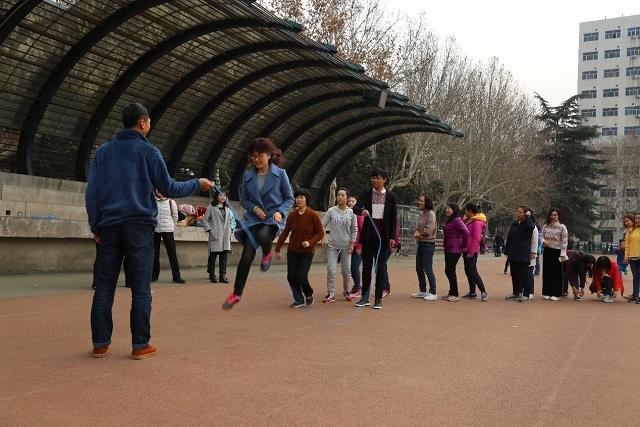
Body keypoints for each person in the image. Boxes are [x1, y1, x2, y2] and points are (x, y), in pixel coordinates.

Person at [86, 102, 214, 359]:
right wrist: (197, 183)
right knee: (141, 289)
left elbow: (92, 193)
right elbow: (168, 188)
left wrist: (95, 225)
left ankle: (100, 344)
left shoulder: (103, 152)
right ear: (142, 123)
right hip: (139, 228)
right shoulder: (149, 152)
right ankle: (140, 345)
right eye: (149, 122)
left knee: (104, 288)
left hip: (109, 227)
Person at [223, 137, 294, 310]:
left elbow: (289, 198)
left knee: (264, 236)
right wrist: (255, 209)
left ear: (269, 155)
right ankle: (236, 294)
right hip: (255, 219)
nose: (256, 159)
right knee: (246, 257)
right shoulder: (248, 176)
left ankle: (267, 253)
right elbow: (244, 200)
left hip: (272, 220)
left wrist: (280, 212)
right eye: (253, 156)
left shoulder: (280, 174)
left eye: (260, 155)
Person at [352, 169, 398, 310]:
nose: (375, 180)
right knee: (366, 268)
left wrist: (392, 237)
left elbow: (393, 218)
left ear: (384, 180)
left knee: (380, 268)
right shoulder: (367, 193)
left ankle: (378, 299)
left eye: (378, 178)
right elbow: (355, 207)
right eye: (373, 178)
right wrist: (362, 211)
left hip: (382, 239)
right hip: (368, 237)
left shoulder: (391, 196)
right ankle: (365, 298)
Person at [275, 188, 324, 307]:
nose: (299, 200)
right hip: (292, 251)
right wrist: (277, 250)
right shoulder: (292, 215)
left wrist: (310, 242)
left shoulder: (313, 215)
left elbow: (320, 233)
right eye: (297, 197)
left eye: (302, 197)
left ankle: (309, 294)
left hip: (307, 252)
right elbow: (284, 233)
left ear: (307, 199)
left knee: (301, 277)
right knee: (291, 277)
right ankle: (298, 299)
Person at [321, 187, 357, 303]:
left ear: (347, 198)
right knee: (331, 270)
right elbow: (322, 225)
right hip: (333, 245)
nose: (340, 197)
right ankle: (330, 293)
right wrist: (323, 237)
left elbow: (354, 229)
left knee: (346, 272)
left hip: (346, 245)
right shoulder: (331, 211)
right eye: (338, 195)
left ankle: (346, 291)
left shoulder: (351, 213)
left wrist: (352, 243)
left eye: (342, 195)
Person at [151, 189, 185, 284]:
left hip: (168, 230)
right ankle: (154, 276)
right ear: (154, 192)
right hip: (155, 230)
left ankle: (176, 276)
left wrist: (171, 227)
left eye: (161, 191)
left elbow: (175, 216)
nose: (160, 193)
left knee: (172, 253)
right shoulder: (152, 201)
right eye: (158, 191)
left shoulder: (170, 202)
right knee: (154, 253)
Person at [503, 206, 534, 301]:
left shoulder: (529, 224)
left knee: (524, 275)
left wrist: (528, 217)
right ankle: (516, 292)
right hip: (513, 253)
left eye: (520, 212)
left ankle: (526, 294)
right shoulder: (515, 224)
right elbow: (510, 237)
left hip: (523, 253)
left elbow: (530, 227)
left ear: (526, 213)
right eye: (517, 211)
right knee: (514, 274)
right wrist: (506, 250)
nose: (518, 214)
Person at [440, 202, 469, 302]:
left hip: (455, 249)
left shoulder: (457, 220)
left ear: (454, 210)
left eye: (449, 208)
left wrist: (465, 245)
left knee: (450, 270)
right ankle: (452, 292)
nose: (446, 210)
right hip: (449, 248)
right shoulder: (450, 220)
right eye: (446, 208)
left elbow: (466, 232)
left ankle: (455, 293)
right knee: (449, 270)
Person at [203, 188, 233, 283]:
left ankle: (222, 276)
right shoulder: (211, 208)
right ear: (216, 196)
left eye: (225, 195)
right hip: (215, 235)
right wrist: (210, 230)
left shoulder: (227, 208)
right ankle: (212, 275)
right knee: (213, 257)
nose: (223, 197)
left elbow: (231, 220)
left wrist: (231, 229)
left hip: (225, 236)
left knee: (223, 257)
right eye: (221, 195)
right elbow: (205, 220)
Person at [411, 194, 437, 301]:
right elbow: (418, 227)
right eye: (419, 200)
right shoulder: (422, 214)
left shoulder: (431, 214)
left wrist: (419, 235)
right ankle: (422, 290)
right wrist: (417, 233)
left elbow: (428, 230)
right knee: (419, 267)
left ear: (427, 202)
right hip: (421, 244)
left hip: (428, 244)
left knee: (428, 268)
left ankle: (433, 292)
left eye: (422, 201)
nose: (420, 202)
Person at [461, 203, 489, 301]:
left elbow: (477, 238)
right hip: (466, 250)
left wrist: (471, 252)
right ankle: (472, 291)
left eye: (466, 210)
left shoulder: (476, 222)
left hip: (471, 251)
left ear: (470, 211)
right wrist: (464, 221)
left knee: (472, 271)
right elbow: (463, 231)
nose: (465, 212)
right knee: (468, 271)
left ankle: (483, 291)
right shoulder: (471, 221)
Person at [540, 208, 568, 301]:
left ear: (559, 216)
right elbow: (541, 236)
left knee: (556, 272)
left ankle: (556, 293)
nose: (553, 217)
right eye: (552, 215)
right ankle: (547, 292)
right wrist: (544, 241)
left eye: (555, 215)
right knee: (547, 271)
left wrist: (563, 253)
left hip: (557, 252)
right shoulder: (546, 226)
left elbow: (564, 241)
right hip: (547, 251)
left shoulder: (562, 227)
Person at [520, 211, 539, 303]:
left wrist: (533, 252)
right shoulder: (519, 225)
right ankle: (520, 291)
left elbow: (535, 241)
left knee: (528, 274)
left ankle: (530, 292)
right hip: (520, 254)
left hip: (529, 254)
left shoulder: (533, 228)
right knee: (520, 274)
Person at [347, 195, 364, 298]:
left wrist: (360, 246)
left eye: (353, 201)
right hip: (351, 245)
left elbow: (363, 232)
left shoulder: (359, 216)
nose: (350, 203)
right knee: (350, 267)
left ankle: (357, 288)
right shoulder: (348, 214)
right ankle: (358, 285)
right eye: (349, 201)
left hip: (358, 246)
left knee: (354, 267)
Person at [624, 213, 640, 303]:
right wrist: (626, 256)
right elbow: (627, 245)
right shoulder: (631, 230)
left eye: (639, 219)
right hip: (633, 256)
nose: (637, 220)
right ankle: (635, 295)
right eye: (636, 218)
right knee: (636, 276)